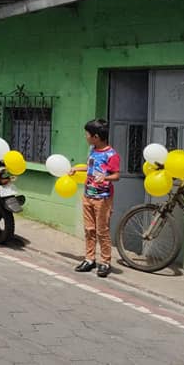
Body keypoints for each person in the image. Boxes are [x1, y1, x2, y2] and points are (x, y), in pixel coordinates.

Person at [72, 119, 120, 278]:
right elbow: (90, 167)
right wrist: (77, 169)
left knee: (102, 231)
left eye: (87, 134)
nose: (86, 137)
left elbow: (116, 175)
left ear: (96, 137)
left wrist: (105, 178)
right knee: (89, 229)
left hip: (103, 198)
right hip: (88, 195)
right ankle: (89, 259)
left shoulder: (111, 155)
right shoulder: (92, 150)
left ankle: (105, 262)